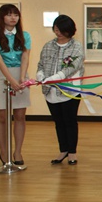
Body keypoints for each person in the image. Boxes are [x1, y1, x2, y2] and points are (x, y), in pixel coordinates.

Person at [36, 15, 85, 165]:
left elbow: (72, 67)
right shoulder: (48, 46)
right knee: (58, 122)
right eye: (56, 30)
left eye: (62, 31)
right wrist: (40, 75)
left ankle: (72, 152)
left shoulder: (76, 46)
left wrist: (56, 77)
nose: (58, 33)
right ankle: (63, 150)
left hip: (70, 91)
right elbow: (41, 64)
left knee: (70, 121)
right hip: (50, 91)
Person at [0, 4, 30, 166]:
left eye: (16, 15)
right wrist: (11, 80)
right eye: (9, 15)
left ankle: (17, 151)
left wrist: (22, 77)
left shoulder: (25, 35)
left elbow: (25, 57)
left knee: (20, 115)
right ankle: (4, 152)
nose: (13, 18)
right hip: (1, 75)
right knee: (2, 116)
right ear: (2, 17)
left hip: (20, 74)